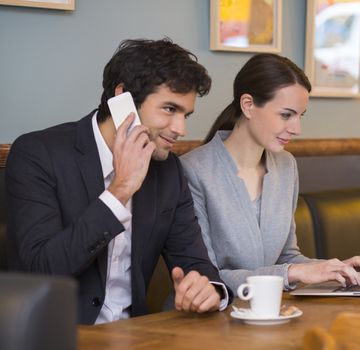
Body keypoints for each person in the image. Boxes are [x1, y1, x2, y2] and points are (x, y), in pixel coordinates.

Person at [6, 38, 231, 325]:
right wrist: (120, 189)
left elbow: (196, 264)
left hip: (137, 336)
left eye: (185, 114)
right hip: (54, 336)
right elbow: (40, 269)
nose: (181, 129)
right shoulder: (38, 154)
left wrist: (209, 290)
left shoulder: (168, 170)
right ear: (122, 98)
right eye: (169, 109)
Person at [180, 53, 360, 295]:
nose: (296, 129)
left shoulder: (286, 166)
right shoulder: (193, 170)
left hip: (269, 316)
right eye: (286, 115)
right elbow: (208, 278)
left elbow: (288, 256)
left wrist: (336, 268)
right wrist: (292, 273)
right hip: (209, 321)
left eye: (300, 115)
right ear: (248, 105)